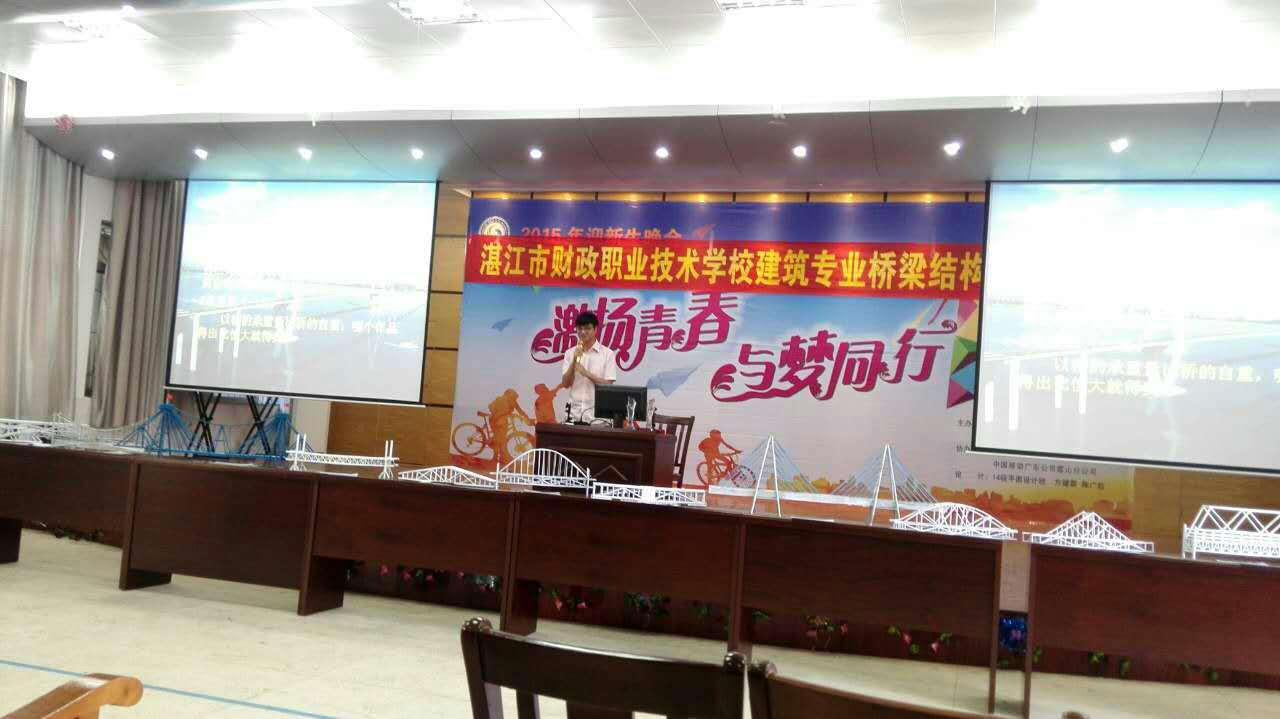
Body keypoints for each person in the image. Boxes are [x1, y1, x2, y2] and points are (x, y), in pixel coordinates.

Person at [559, 311, 616, 421]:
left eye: (587, 328)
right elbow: (565, 384)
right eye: (579, 328)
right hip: (573, 415)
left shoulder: (607, 354)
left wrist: (586, 373)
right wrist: (574, 360)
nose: (583, 332)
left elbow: (608, 386)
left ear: (595, 329)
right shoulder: (570, 353)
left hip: (597, 416)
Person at [487, 388, 531, 465]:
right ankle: (498, 458)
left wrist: (496, 412)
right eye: (514, 396)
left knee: (498, 438)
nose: (515, 398)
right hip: (501, 421)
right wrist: (526, 418)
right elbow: (520, 411)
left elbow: (490, 407)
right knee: (502, 440)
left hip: (493, 420)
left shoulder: (499, 399)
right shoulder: (512, 401)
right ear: (511, 395)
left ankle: (496, 456)